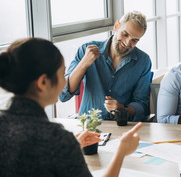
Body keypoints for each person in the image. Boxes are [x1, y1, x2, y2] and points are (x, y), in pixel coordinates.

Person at [0, 37, 142, 176]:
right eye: (63, 74)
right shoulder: (57, 139)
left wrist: (72, 146)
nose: (65, 82)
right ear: (43, 82)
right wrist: (121, 151)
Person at [59, 11, 152, 121]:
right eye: (125, 34)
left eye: (134, 40)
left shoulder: (143, 61)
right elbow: (63, 95)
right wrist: (84, 64)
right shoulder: (86, 50)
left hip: (121, 127)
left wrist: (122, 108)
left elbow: (141, 105)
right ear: (116, 26)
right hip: (89, 125)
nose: (127, 43)